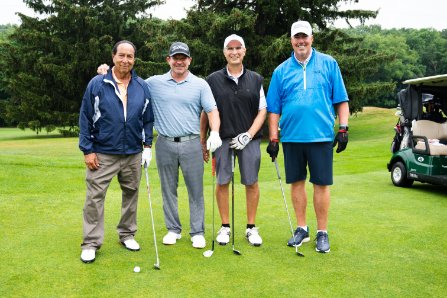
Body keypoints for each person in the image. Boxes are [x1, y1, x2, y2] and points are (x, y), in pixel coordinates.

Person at [99, 42, 222, 249]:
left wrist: (215, 132)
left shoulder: (200, 84)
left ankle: (197, 232)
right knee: (168, 189)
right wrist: (107, 73)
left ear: (189, 60)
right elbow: (129, 82)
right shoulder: (153, 83)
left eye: (183, 58)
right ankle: (173, 230)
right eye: (176, 58)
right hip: (164, 143)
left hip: (191, 143)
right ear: (169, 60)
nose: (179, 62)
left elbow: (212, 111)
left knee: (195, 190)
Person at [266, 21, 349, 253]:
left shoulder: (329, 64)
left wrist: (343, 128)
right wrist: (274, 138)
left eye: (304, 37)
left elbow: (341, 99)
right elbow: (274, 108)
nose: (300, 41)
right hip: (292, 137)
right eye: (296, 37)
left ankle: (322, 232)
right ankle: (302, 229)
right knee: (297, 183)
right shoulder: (281, 71)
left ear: (311, 38)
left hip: (321, 136)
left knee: (321, 184)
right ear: (291, 40)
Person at [79, 40, 154, 263]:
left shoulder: (141, 86)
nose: (125, 60)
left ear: (134, 59)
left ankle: (127, 234)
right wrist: (87, 150)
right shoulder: (97, 83)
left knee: (131, 194)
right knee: (95, 197)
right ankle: (91, 243)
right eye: (121, 55)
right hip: (103, 151)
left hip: (132, 152)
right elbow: (85, 117)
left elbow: (147, 119)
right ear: (113, 57)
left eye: (130, 56)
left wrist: (147, 146)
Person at [201, 34, 266, 246]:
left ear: (244, 51)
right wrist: (205, 139)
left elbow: (262, 111)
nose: (234, 52)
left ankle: (251, 227)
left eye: (238, 48)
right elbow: (206, 111)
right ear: (224, 52)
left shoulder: (256, 79)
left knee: (251, 182)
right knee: (222, 181)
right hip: (221, 139)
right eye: (230, 48)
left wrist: (249, 134)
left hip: (249, 139)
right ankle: (225, 227)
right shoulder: (212, 80)